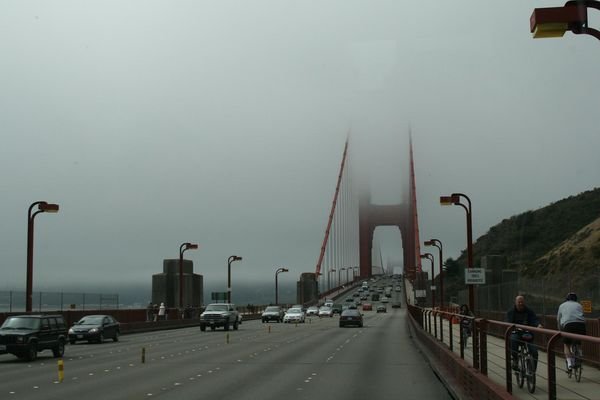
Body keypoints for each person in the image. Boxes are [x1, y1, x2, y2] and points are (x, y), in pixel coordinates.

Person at [506, 295, 543, 371]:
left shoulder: (529, 311)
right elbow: (508, 322)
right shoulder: (511, 312)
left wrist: (538, 325)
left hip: (527, 333)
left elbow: (534, 319)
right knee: (513, 340)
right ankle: (515, 359)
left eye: (522, 302)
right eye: (519, 302)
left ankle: (532, 371)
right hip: (516, 333)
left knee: (534, 352)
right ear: (515, 303)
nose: (520, 304)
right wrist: (511, 328)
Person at [557, 292, 586, 371]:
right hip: (581, 325)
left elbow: (558, 319)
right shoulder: (579, 305)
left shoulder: (562, 305)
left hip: (568, 325)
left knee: (566, 344)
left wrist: (560, 329)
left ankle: (569, 364)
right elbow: (583, 316)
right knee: (578, 341)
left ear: (566, 299)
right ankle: (579, 354)